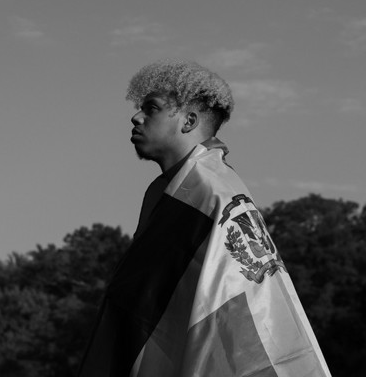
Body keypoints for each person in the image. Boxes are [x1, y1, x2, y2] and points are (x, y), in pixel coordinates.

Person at [78, 60, 331, 377]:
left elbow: (230, 314)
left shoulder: (212, 191)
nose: (136, 117)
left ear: (188, 121)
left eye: (151, 108)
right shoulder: (171, 189)